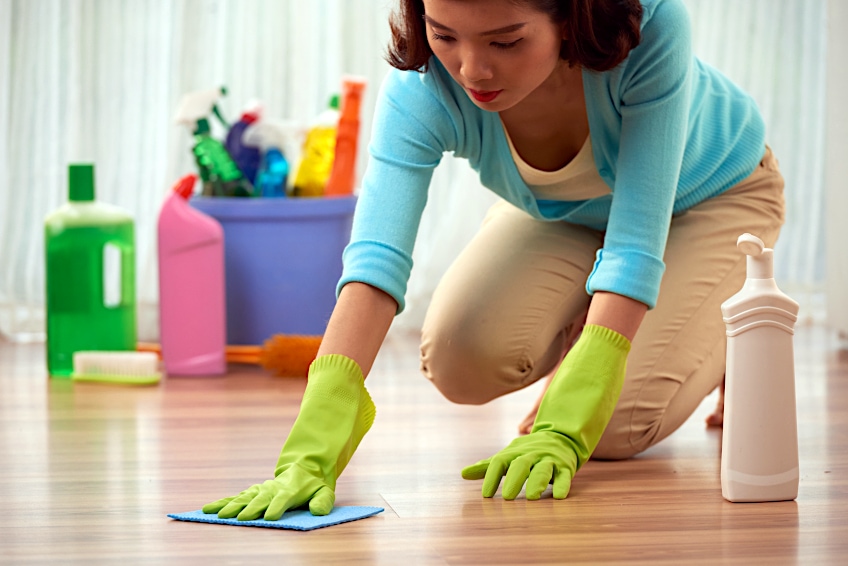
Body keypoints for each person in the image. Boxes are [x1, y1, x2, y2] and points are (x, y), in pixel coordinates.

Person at [202, 0, 785, 520]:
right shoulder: (422, 89)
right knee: (459, 359)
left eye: (506, 41)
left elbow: (635, 240)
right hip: (564, 214)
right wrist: (318, 432)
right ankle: (614, 314)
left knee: (613, 427)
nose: (472, 70)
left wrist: (570, 413)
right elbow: (376, 258)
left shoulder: (650, 27)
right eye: (444, 34)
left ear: (571, 15)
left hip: (712, 198)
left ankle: (718, 330)